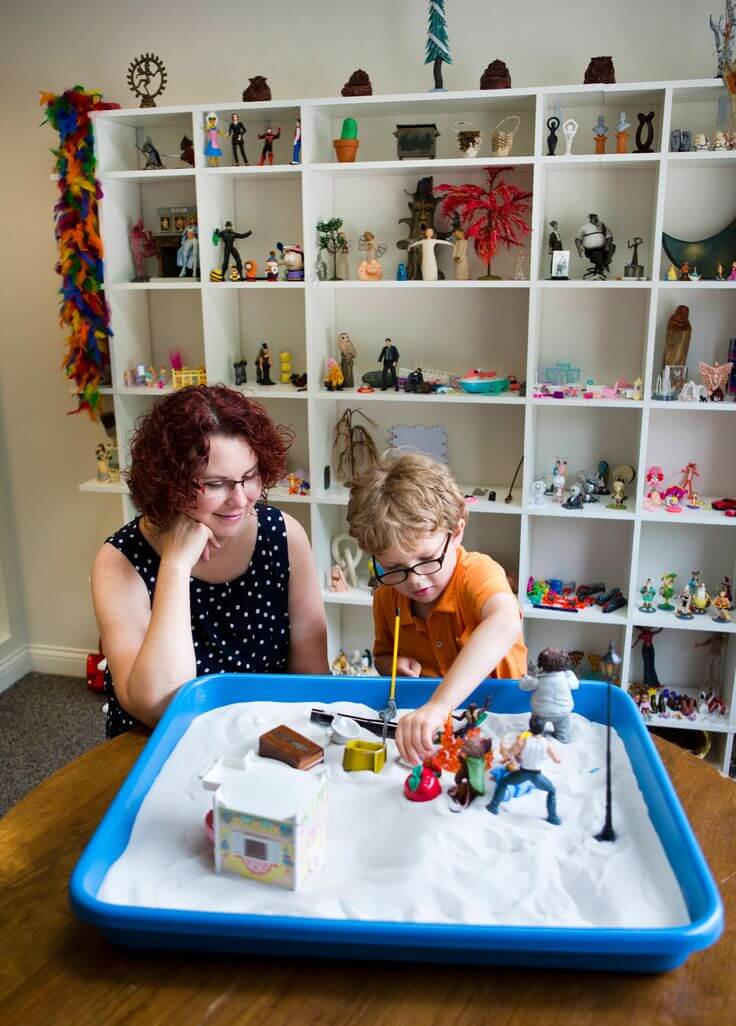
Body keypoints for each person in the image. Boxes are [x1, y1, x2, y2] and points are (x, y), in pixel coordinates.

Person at [91, 385, 328, 740]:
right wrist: (174, 566)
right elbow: (159, 707)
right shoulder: (119, 562)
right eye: (215, 484)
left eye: (249, 477)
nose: (239, 499)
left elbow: (311, 681)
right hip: (161, 747)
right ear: (169, 483)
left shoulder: (285, 536)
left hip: (264, 741)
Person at [346, 451, 527, 765]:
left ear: (456, 531)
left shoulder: (477, 574)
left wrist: (439, 705)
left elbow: (505, 622)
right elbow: (382, 657)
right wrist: (392, 665)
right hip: (427, 731)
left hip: (501, 721)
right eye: (394, 567)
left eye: (427, 560)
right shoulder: (387, 596)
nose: (415, 580)